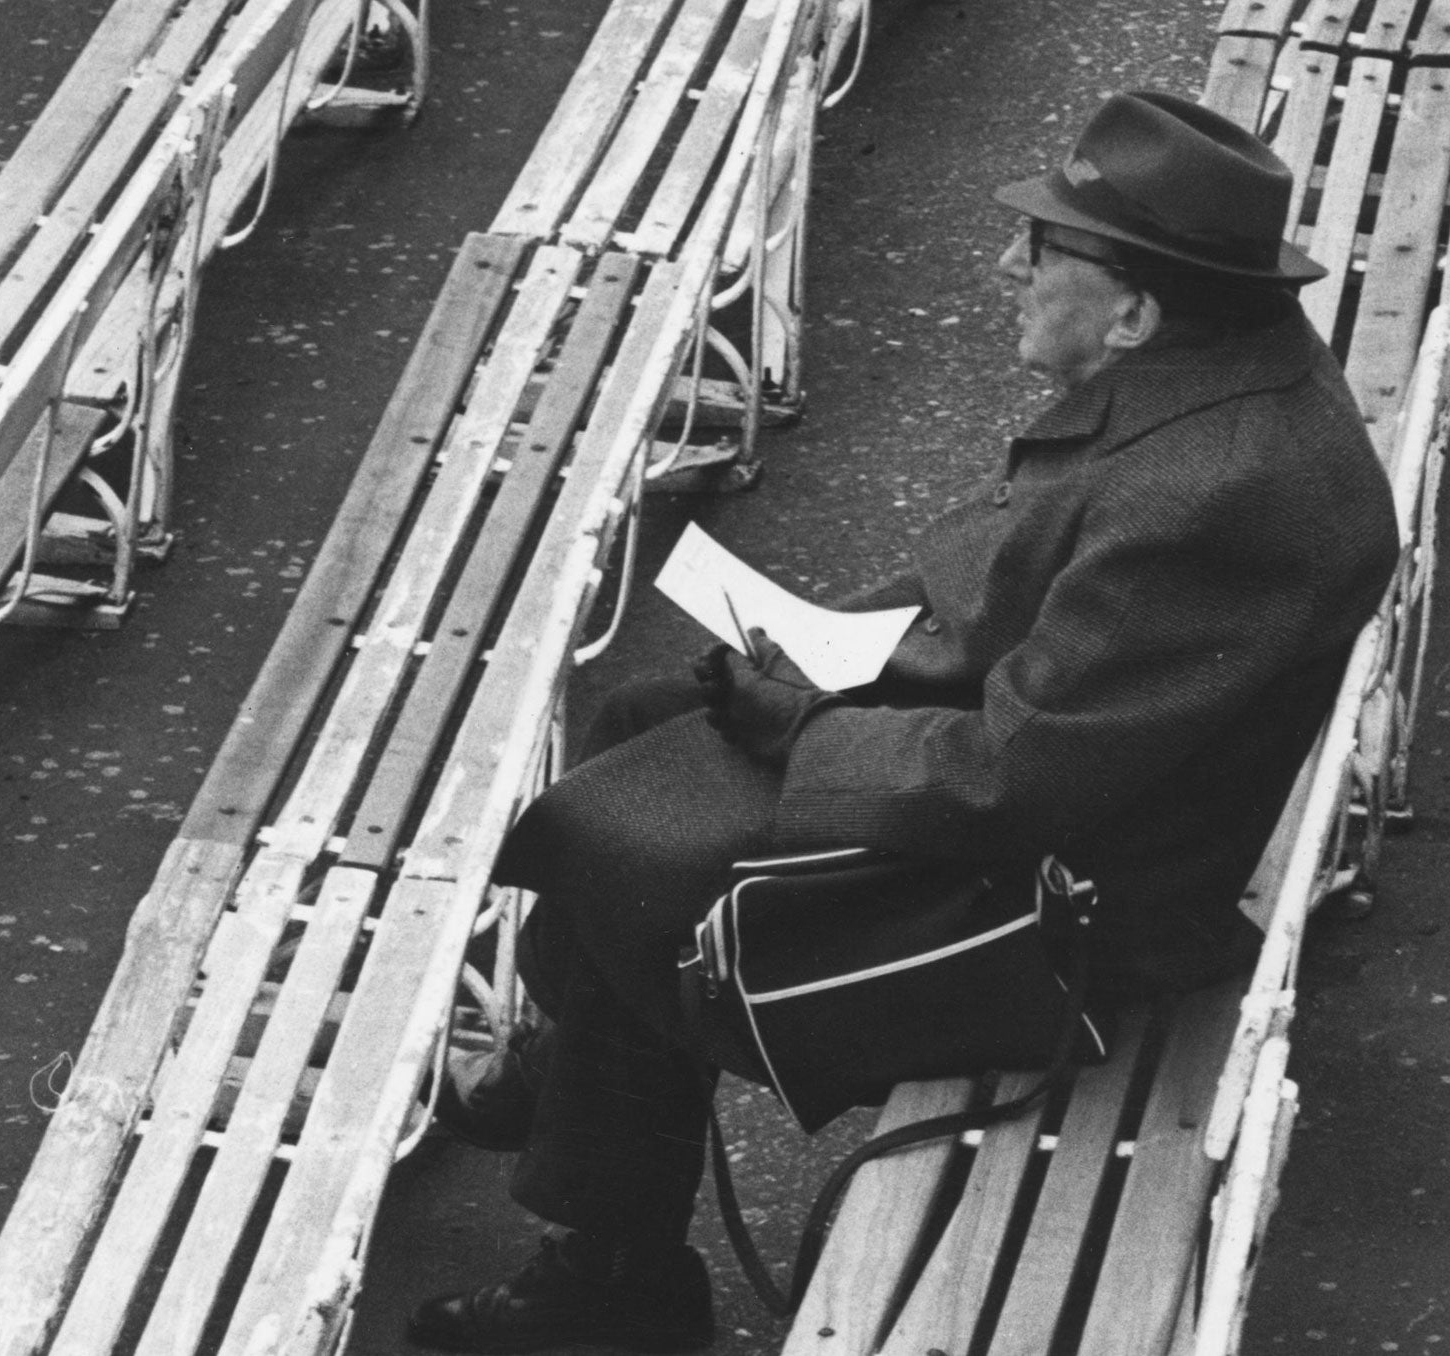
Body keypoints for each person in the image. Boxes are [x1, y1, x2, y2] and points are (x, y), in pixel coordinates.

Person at [406, 90, 1401, 1354]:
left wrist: (798, 730)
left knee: (629, 865)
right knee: (642, 719)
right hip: (1089, 811)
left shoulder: (1216, 491)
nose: (1003, 266)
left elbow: (1008, 777)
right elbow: (1043, 626)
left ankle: (611, 1278)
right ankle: (568, 1090)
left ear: (1138, 312)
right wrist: (823, 667)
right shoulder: (1219, 385)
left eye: (1041, 253)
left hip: (1069, 914)